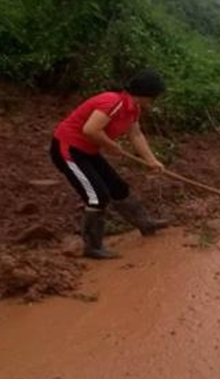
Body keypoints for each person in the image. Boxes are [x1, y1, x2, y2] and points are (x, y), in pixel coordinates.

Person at [50, 70, 170, 259]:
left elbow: (136, 135)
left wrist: (151, 161)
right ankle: (92, 247)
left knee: (119, 189)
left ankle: (145, 223)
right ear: (146, 94)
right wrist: (111, 145)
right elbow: (90, 129)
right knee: (97, 196)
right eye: (153, 98)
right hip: (68, 149)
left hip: (88, 151)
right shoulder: (113, 102)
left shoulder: (133, 109)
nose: (153, 102)